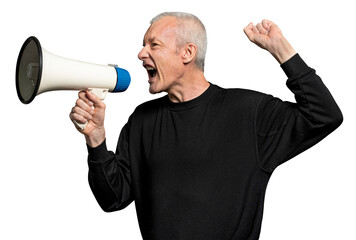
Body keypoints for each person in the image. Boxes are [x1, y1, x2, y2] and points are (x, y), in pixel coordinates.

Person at [69, 12, 343, 240]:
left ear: (187, 53)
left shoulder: (248, 113)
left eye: (154, 45)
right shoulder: (142, 120)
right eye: (144, 45)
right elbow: (112, 198)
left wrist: (281, 50)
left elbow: (324, 115)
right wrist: (96, 140)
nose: (141, 53)